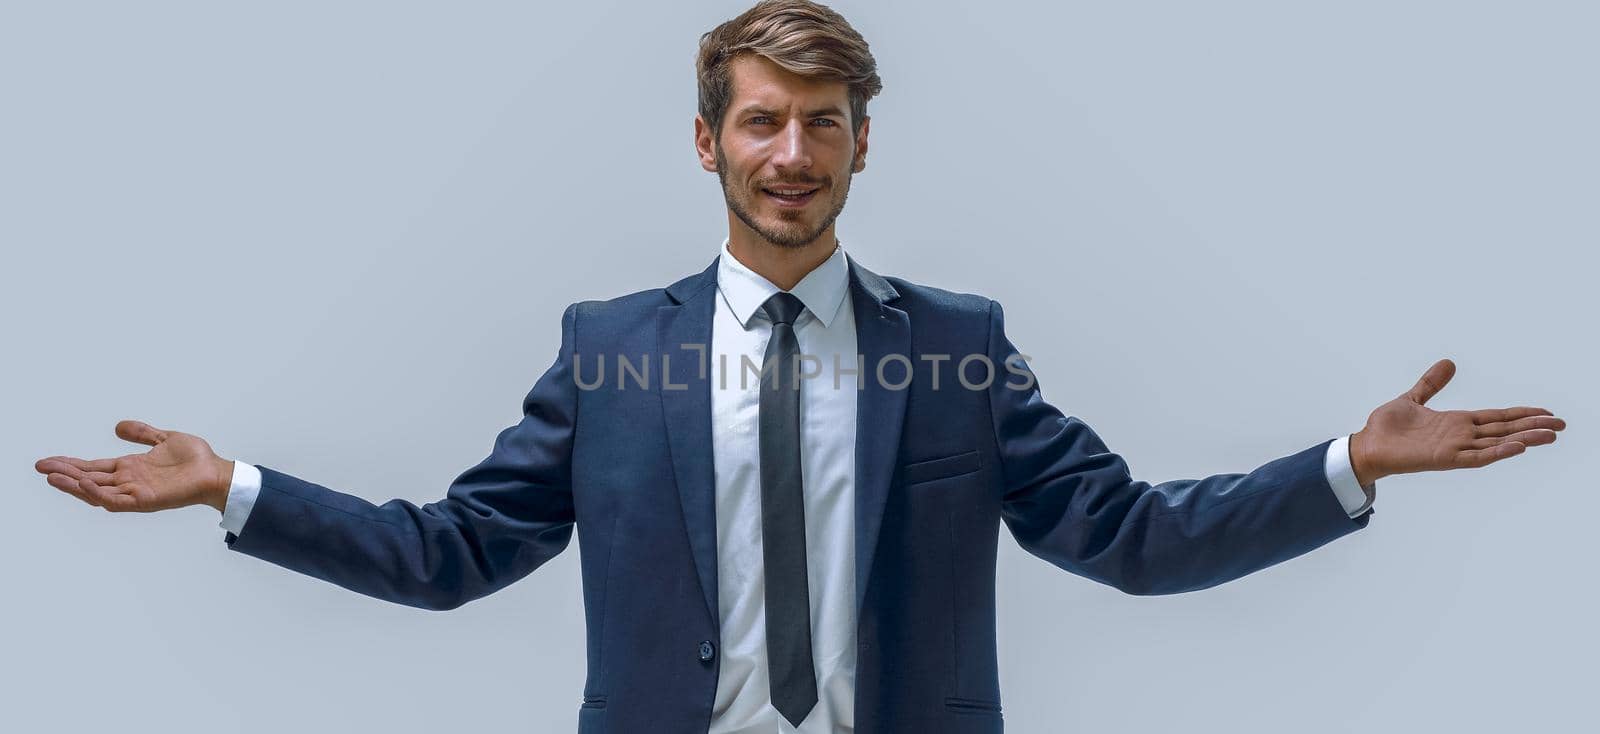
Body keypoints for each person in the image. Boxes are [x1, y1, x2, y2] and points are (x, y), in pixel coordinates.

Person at [32, 2, 1565, 732]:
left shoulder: (955, 349)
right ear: (707, 142)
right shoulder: (610, 351)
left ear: (862, 146)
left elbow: (1131, 538)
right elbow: (451, 554)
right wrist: (233, 485)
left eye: (822, 123)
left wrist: (1347, 466)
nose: (791, 153)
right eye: (762, 120)